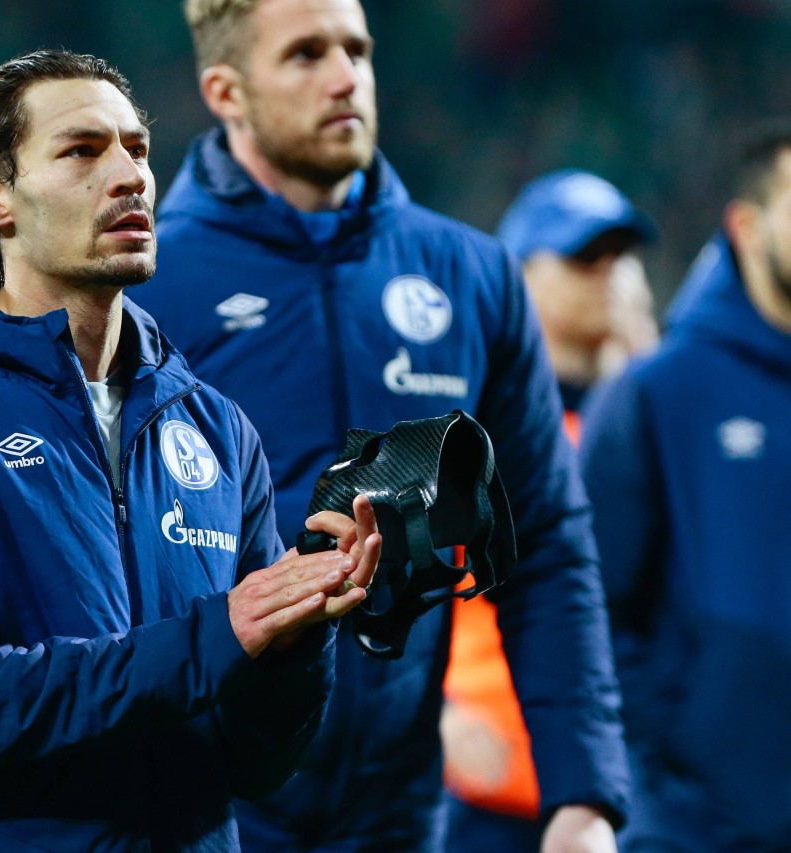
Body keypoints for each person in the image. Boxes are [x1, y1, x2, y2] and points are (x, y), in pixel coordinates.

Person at [0, 49, 382, 852]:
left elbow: (256, 762)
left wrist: (293, 638)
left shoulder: (216, 431)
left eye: (137, 149)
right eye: (82, 151)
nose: (130, 176)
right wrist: (220, 636)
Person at [134, 1, 629, 849]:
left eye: (357, 50)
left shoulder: (471, 276)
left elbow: (542, 539)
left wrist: (581, 790)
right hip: (207, 805)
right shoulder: (145, 279)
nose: (345, 77)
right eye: (305, 54)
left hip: (398, 809)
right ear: (226, 90)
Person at [580, 121, 791, 851]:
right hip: (697, 825)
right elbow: (595, 606)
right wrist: (672, 766)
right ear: (748, 225)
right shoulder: (660, 391)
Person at [442, 170, 656, 851]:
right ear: (522, 276)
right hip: (491, 785)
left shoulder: (653, 424)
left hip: (626, 790)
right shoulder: (468, 427)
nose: (608, 276)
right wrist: (441, 716)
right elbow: (399, 585)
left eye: (620, 257)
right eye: (583, 258)